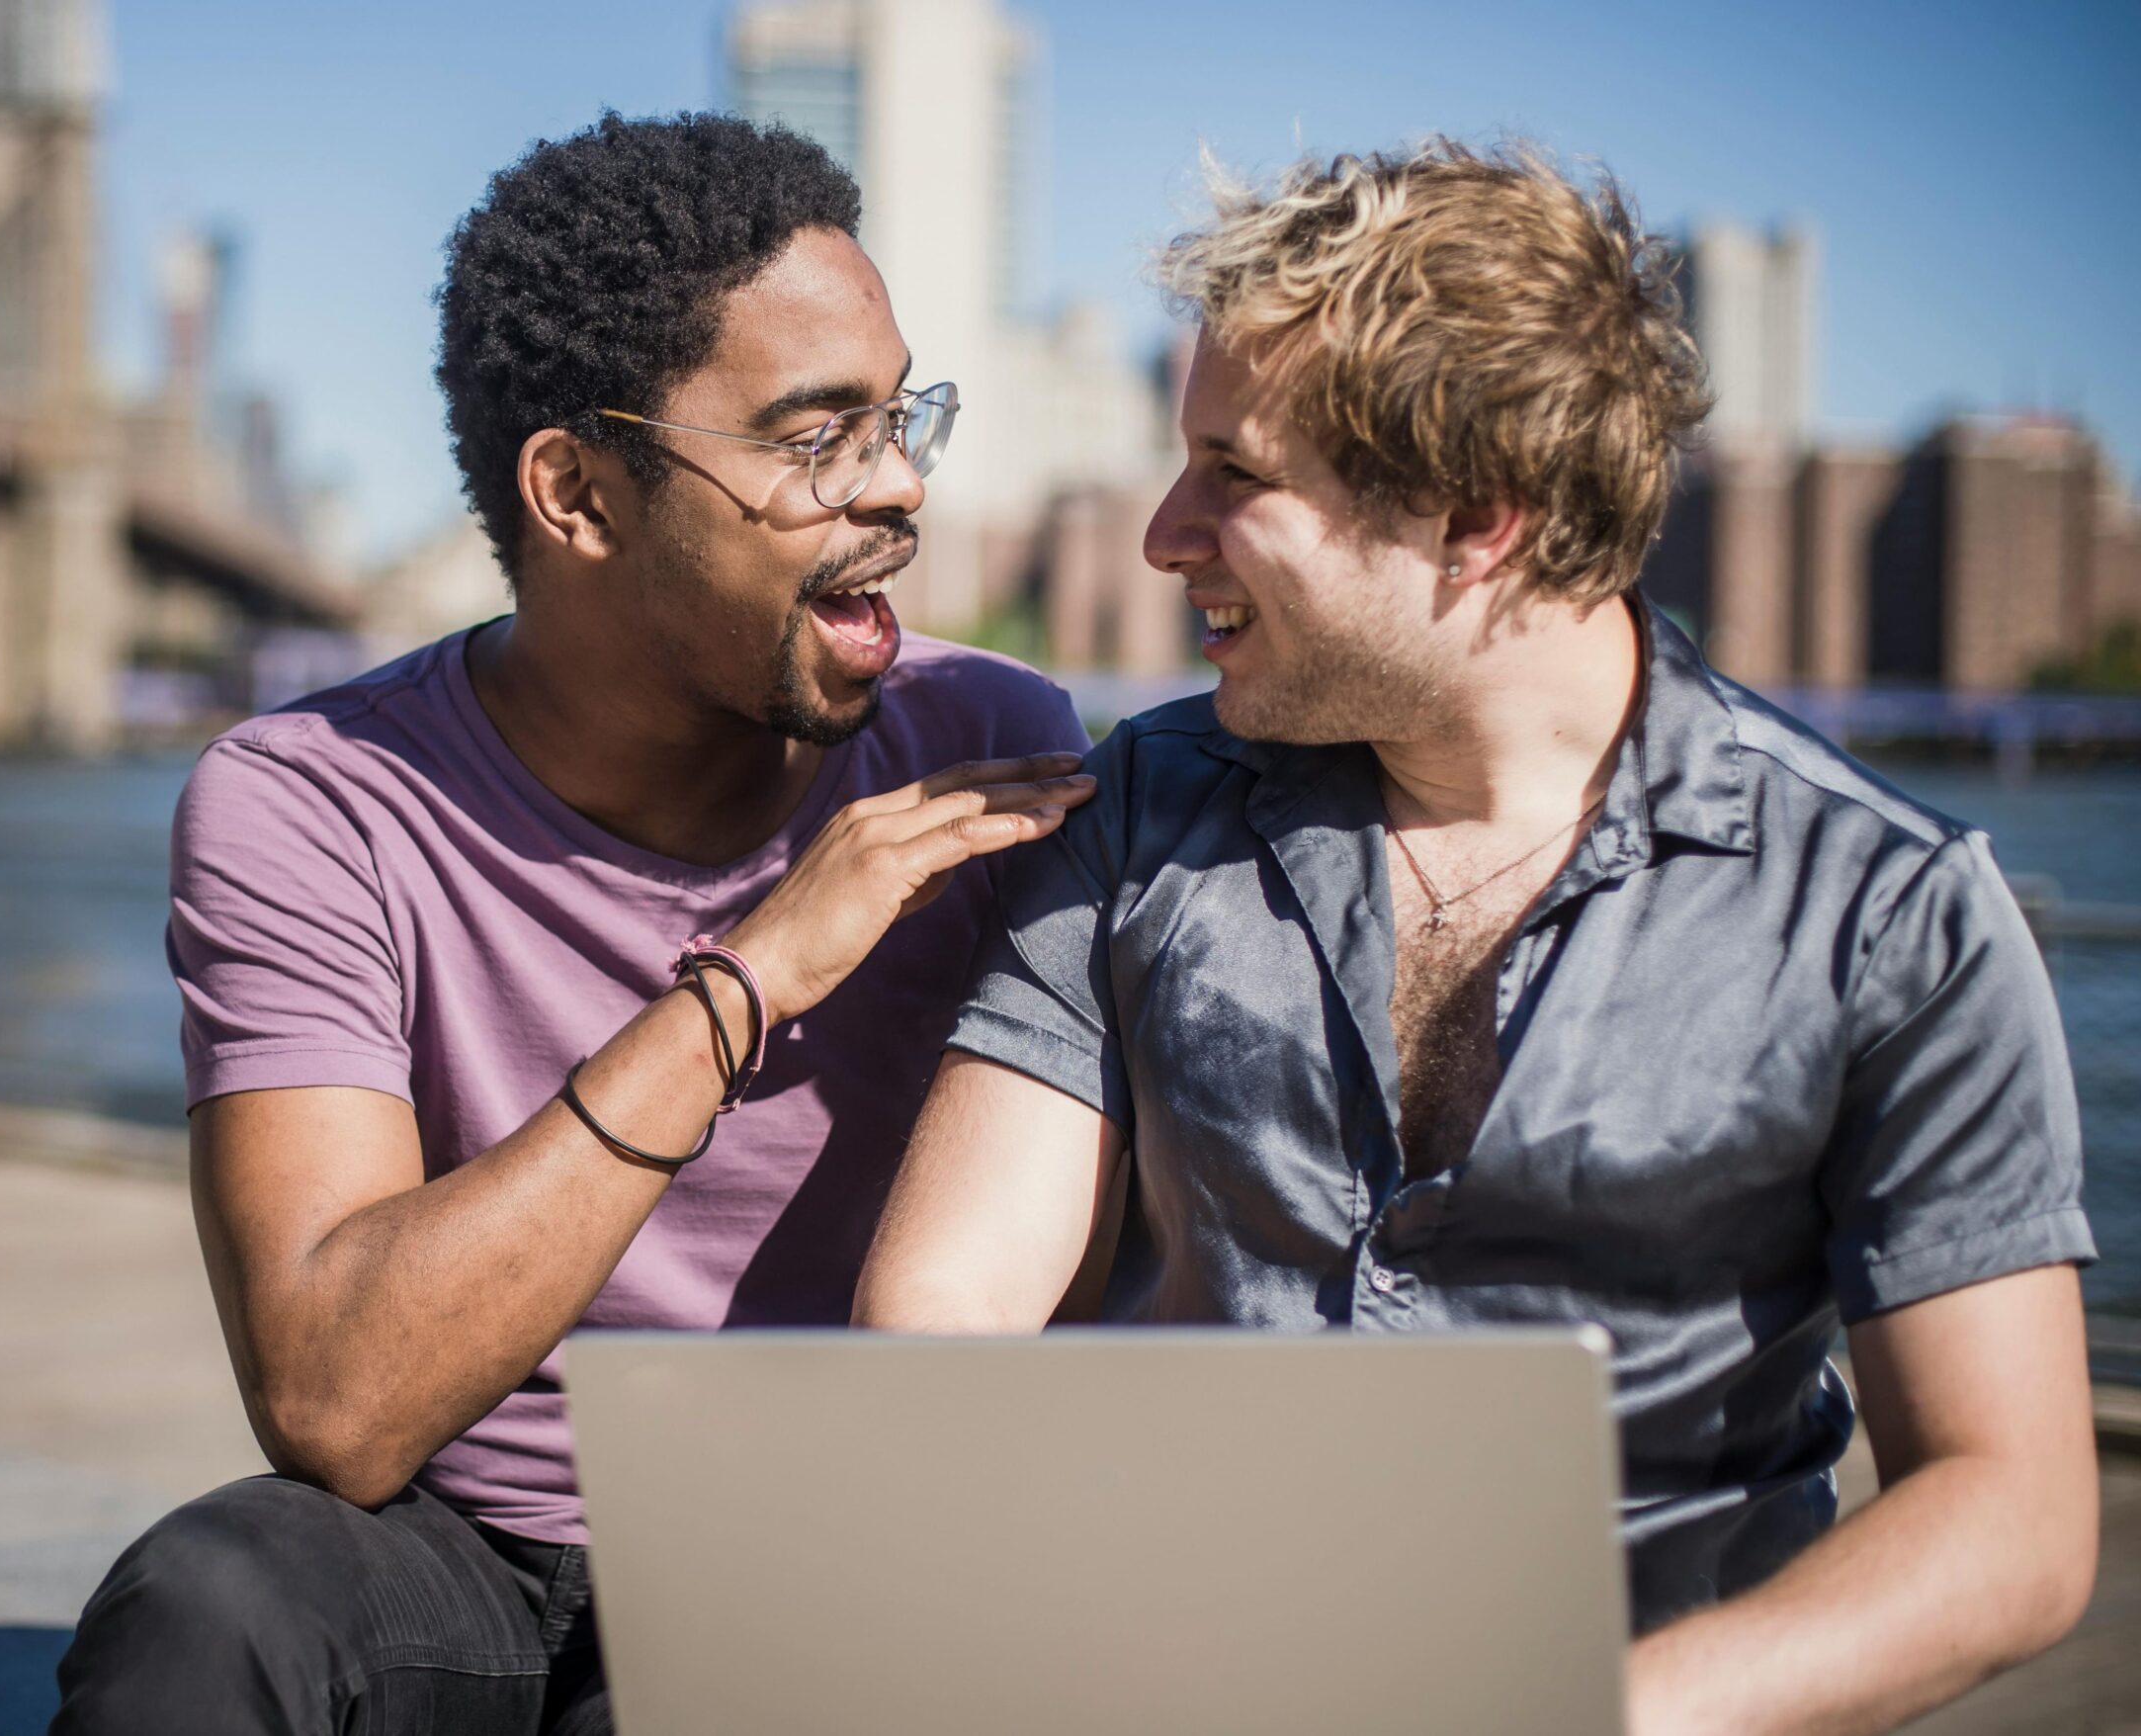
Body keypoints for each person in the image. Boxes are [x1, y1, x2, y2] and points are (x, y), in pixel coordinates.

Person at [855, 137, 2098, 1734]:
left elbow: (2013, 1518)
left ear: (1476, 520)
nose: (1169, 533)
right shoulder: (1137, 811)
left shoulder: (1891, 912)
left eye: (1234, 474)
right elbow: (941, 1314)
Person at [51, 112, 1092, 1736]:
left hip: (827, 1570)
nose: (895, 487)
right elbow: (336, 1403)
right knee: (208, 1606)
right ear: (580, 492)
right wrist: (748, 985)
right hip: (457, 1555)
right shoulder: (311, 800)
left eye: (902, 418)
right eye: (816, 437)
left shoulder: (987, 743)